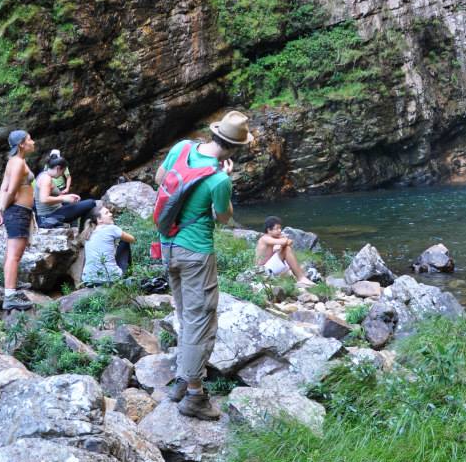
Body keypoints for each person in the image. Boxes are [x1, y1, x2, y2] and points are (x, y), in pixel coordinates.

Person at [156, 110, 253, 420]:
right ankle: (196, 396)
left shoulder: (181, 148)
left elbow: (160, 180)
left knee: (186, 315)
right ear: (234, 149)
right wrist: (227, 179)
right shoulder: (219, 178)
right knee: (201, 320)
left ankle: (182, 381)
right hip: (196, 253)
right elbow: (224, 217)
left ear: (215, 135)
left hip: (168, 246)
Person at [0, 130, 36, 311]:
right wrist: (4, 209)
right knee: (14, 254)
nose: (33, 142)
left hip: (18, 211)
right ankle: (10, 296)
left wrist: (0, 209)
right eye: (29, 139)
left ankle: (12, 285)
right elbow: (10, 191)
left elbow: (2, 188)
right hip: (18, 211)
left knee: (14, 253)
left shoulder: (13, 162)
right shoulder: (18, 163)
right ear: (21, 144)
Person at [80, 205, 135, 286]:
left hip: (89, 280)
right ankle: (127, 277)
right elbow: (132, 239)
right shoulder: (111, 228)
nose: (111, 214)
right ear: (99, 220)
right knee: (124, 242)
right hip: (110, 279)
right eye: (107, 213)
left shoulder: (88, 234)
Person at [35, 156, 95, 229]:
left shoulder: (44, 175)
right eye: (63, 171)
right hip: (50, 216)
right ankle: (82, 232)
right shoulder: (46, 179)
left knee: (78, 204)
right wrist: (64, 199)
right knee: (91, 203)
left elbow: (53, 195)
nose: (62, 174)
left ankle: (78, 230)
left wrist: (68, 196)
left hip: (53, 212)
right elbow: (44, 199)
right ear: (58, 168)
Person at [255, 216, 314, 286]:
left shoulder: (275, 237)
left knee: (286, 248)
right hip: (263, 271)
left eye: (280, 228)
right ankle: (301, 278)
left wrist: (282, 243)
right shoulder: (265, 238)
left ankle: (300, 276)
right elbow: (285, 241)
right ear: (269, 230)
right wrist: (283, 241)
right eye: (277, 228)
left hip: (270, 268)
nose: (280, 230)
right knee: (286, 249)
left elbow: (289, 241)